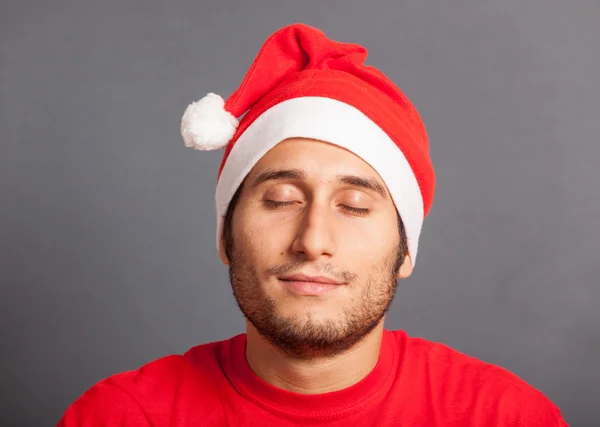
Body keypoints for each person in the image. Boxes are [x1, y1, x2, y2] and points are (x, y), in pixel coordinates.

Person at [57, 23, 568, 426]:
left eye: (355, 205)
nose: (314, 241)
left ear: (406, 249)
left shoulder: (506, 417)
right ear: (225, 235)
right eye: (281, 199)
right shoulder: (120, 417)